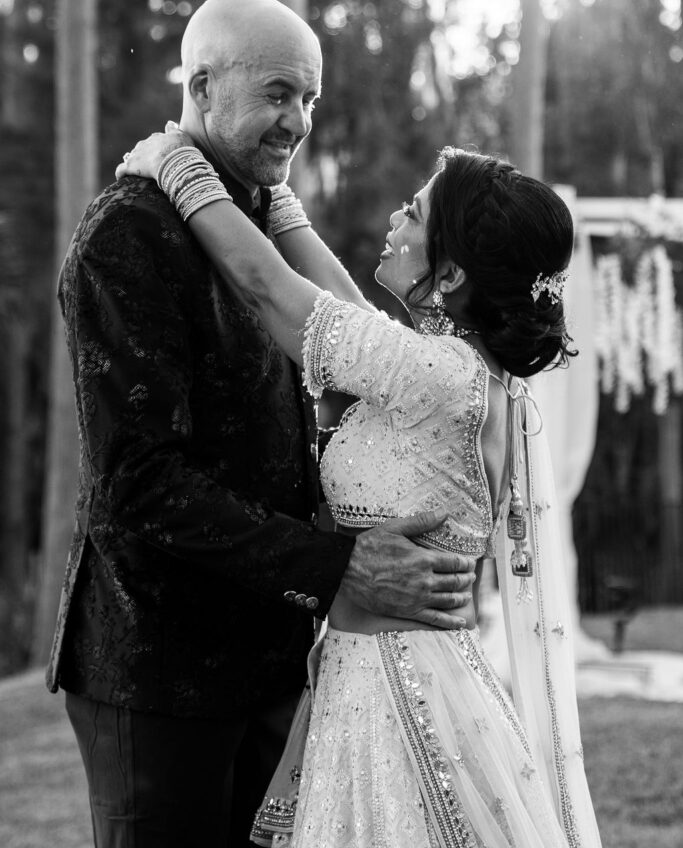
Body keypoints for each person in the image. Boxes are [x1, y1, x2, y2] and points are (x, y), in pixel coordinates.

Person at [45, 0, 476, 848]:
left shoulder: (253, 224)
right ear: (203, 87)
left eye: (309, 98)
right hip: (160, 670)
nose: (299, 122)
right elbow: (139, 484)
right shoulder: (128, 235)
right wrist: (337, 565)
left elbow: (341, 350)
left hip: (276, 661)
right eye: (278, 94)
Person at [116, 137, 604, 848]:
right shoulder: (463, 375)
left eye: (414, 214)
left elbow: (265, 286)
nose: (396, 219)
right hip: (403, 678)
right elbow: (352, 316)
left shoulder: (438, 378)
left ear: (451, 272)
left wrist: (175, 163)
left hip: (397, 699)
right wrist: (276, 199)